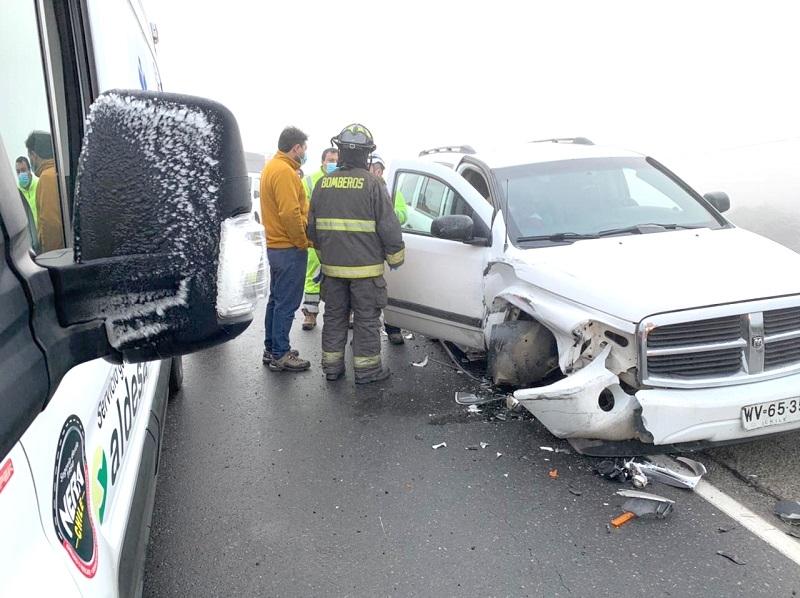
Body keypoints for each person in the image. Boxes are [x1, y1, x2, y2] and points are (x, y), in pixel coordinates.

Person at [307, 124, 404, 384]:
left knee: (335, 318)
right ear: (366, 154)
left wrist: (326, 255)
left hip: (332, 272)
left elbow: (312, 230)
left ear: (340, 151)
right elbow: (388, 226)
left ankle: (332, 368)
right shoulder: (373, 184)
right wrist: (396, 257)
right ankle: (368, 370)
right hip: (366, 273)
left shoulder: (322, 184)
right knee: (365, 320)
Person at [260, 126, 312, 372]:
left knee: (276, 300)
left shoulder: (273, 167)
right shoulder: (284, 172)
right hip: (288, 247)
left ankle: (272, 348)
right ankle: (280, 354)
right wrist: (302, 242)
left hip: (276, 246)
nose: (305, 153)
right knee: (286, 304)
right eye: (304, 148)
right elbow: (290, 213)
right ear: (296, 148)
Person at [369, 152, 408, 345]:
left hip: (383, 248)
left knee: (387, 291)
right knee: (366, 295)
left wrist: (388, 214)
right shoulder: (364, 188)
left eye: (377, 168)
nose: (375, 171)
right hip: (367, 250)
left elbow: (402, 215)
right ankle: (365, 334)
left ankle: (393, 327)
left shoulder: (392, 191)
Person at [300, 147, 339, 330]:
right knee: (313, 276)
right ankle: (310, 314)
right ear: (322, 162)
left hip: (337, 237)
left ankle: (340, 314)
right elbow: (303, 208)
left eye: (336, 160)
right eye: (330, 160)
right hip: (316, 236)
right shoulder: (309, 181)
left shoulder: (342, 180)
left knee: (339, 277)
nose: (333, 164)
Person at [25, 131, 63, 252]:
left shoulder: (47, 178)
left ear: (33, 154)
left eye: (29, 156)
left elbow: (51, 225)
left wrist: (50, 259)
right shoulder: (58, 172)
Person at [15, 156, 38, 225]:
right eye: (18, 171)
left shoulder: (39, 186)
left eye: (23, 170)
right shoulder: (16, 194)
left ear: (29, 170)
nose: (21, 174)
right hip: (28, 234)